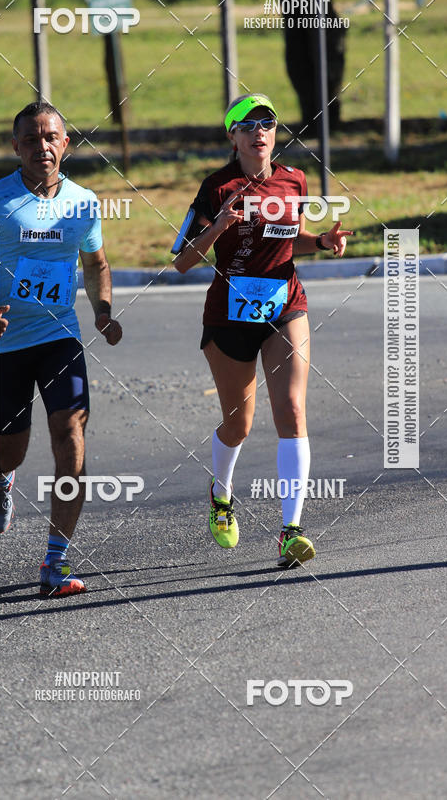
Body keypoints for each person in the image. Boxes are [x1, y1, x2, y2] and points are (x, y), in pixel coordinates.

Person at [0, 100, 122, 596]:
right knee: (8, 450)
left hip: (59, 334)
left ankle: (55, 562)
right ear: (15, 146)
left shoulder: (83, 202)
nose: (42, 146)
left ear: (65, 143)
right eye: (31, 138)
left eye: (52, 137)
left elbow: (96, 264)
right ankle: (0, 480)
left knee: (71, 432)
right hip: (3, 342)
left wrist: (102, 311)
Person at [172, 92, 352, 566]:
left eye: (267, 123)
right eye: (248, 124)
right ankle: (221, 493)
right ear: (232, 135)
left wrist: (323, 241)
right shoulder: (216, 187)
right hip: (229, 317)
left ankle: (291, 531)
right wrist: (220, 224)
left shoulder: (294, 180)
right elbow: (182, 262)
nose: (259, 131)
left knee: (292, 409)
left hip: (285, 306)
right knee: (239, 424)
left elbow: (289, 240)